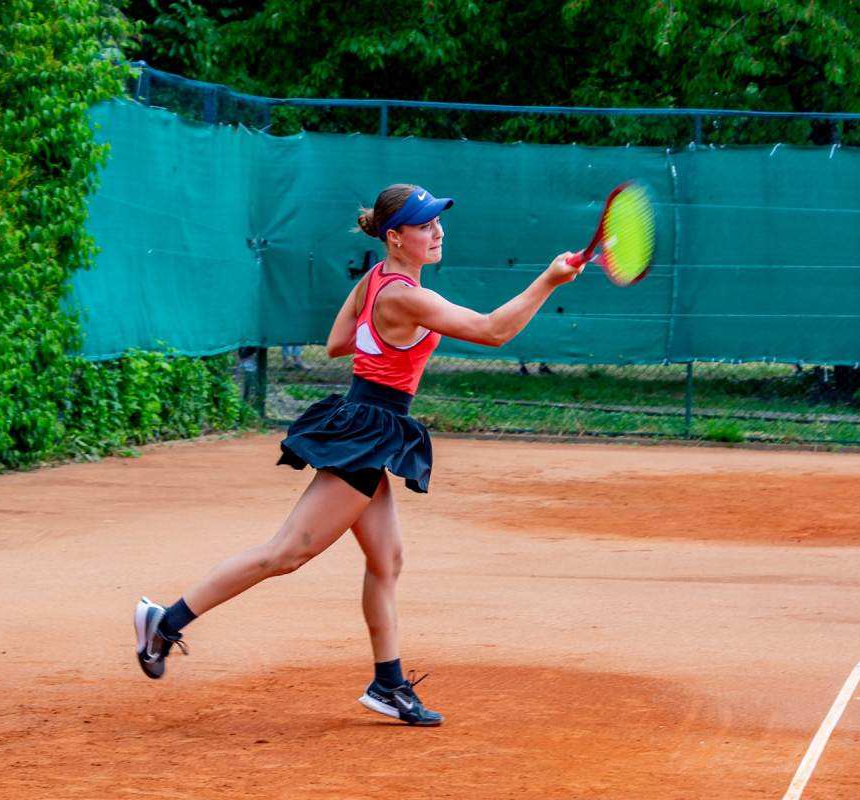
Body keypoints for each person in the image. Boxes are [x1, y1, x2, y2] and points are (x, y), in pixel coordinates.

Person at [134, 184, 583, 726]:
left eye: (439, 220)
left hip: (368, 422)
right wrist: (549, 280)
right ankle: (166, 621)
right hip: (369, 429)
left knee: (386, 560)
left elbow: (339, 341)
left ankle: (388, 684)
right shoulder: (405, 295)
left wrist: (385, 345)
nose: (438, 231)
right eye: (424, 225)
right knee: (285, 554)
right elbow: (493, 331)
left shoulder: (377, 279)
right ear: (395, 237)